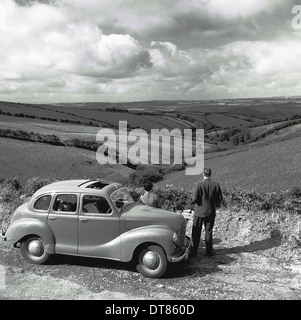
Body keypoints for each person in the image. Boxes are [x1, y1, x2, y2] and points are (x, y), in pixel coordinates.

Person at [190, 168, 222, 258]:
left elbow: (194, 199)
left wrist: (199, 203)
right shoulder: (216, 185)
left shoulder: (198, 184)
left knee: (196, 232)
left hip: (199, 211)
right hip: (211, 211)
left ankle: (194, 252)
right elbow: (219, 199)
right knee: (209, 231)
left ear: (202, 174)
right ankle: (209, 252)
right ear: (210, 174)